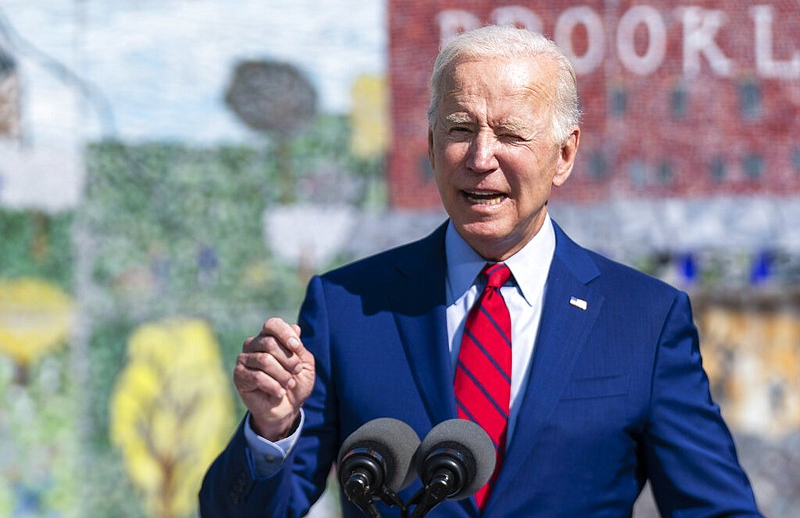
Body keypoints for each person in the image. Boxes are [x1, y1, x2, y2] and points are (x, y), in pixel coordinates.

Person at [199, 25, 762, 517]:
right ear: (430, 143)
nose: (480, 157)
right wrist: (271, 432)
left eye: (511, 134)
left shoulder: (644, 319)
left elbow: (715, 509)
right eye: (461, 130)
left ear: (564, 155)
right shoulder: (348, 305)